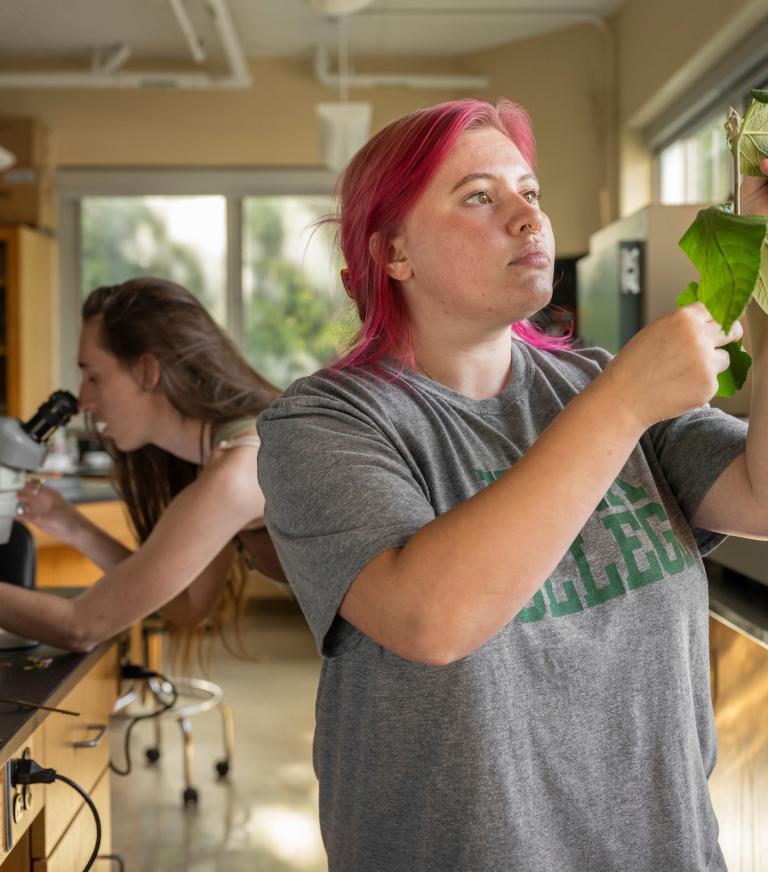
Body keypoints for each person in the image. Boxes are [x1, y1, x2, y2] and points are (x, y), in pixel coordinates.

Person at [256, 97, 768, 871]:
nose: (529, 220)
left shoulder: (591, 384)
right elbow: (432, 619)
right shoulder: (322, 426)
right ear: (394, 253)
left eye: (529, 192)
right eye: (479, 198)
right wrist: (625, 401)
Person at [3, 276, 285, 653]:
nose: (83, 400)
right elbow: (188, 606)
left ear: (147, 372)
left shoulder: (239, 468)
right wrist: (70, 524)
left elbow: (80, 627)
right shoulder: (225, 455)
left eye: (93, 377)